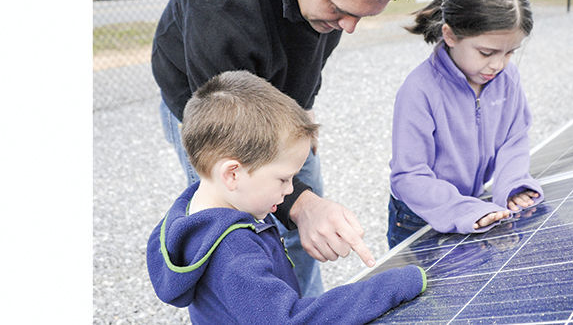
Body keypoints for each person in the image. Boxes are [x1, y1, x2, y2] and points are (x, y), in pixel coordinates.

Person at [150, 0, 420, 296]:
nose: (348, 27)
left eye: (361, 17)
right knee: (238, 233)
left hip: (278, 100)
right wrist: (302, 203)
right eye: (339, 9)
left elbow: (315, 45)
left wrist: (303, 113)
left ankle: (301, 311)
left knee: (301, 224)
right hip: (209, 99)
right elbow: (231, 136)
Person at [147, 71, 426, 323]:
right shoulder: (233, 252)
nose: (291, 190)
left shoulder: (200, 213)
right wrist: (392, 286)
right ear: (232, 174)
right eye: (283, 178)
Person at [387, 0, 545, 249]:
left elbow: (515, 137)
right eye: (486, 52)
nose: (498, 64)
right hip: (418, 217)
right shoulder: (419, 90)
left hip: (474, 207)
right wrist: (463, 210)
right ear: (449, 35)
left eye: (510, 52)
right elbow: (409, 176)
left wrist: (511, 186)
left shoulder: (507, 77)